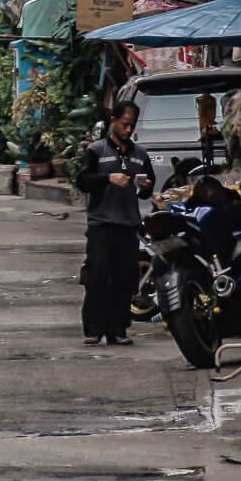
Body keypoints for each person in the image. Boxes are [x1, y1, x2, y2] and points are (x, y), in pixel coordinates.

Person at [74, 102, 155, 346]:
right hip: (101, 225)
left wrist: (146, 187)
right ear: (114, 121)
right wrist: (107, 178)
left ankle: (117, 330)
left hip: (128, 225)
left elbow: (146, 191)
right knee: (97, 277)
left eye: (132, 125)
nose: (128, 130)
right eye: (124, 124)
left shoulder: (140, 155)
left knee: (125, 279)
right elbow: (83, 181)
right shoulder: (96, 150)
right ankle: (93, 329)